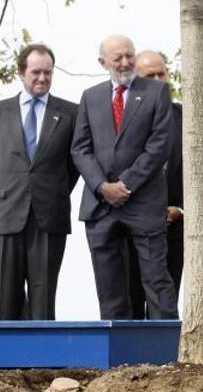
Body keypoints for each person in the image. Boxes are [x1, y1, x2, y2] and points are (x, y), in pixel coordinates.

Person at [71, 34, 178, 320]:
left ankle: (166, 353)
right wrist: (102, 187)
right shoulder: (90, 97)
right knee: (110, 286)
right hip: (100, 205)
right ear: (103, 61)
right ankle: (118, 356)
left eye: (129, 55)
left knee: (156, 280)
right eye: (117, 57)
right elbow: (80, 149)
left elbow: (159, 147)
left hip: (143, 202)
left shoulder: (156, 92)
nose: (125, 62)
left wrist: (125, 185)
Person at [0, 44, 79, 320]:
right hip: (6, 213)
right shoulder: (2, 111)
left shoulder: (71, 113)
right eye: (36, 72)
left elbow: (74, 165)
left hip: (49, 214)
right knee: (4, 293)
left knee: (43, 293)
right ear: (22, 72)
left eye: (48, 72)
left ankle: (42, 360)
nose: (42, 78)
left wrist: (52, 192)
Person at [125, 50, 184, 318]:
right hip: (132, 224)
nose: (159, 80)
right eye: (151, 75)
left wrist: (178, 209)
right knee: (131, 298)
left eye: (162, 73)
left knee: (166, 299)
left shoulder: (187, 118)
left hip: (174, 226)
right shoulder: (122, 120)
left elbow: (198, 175)